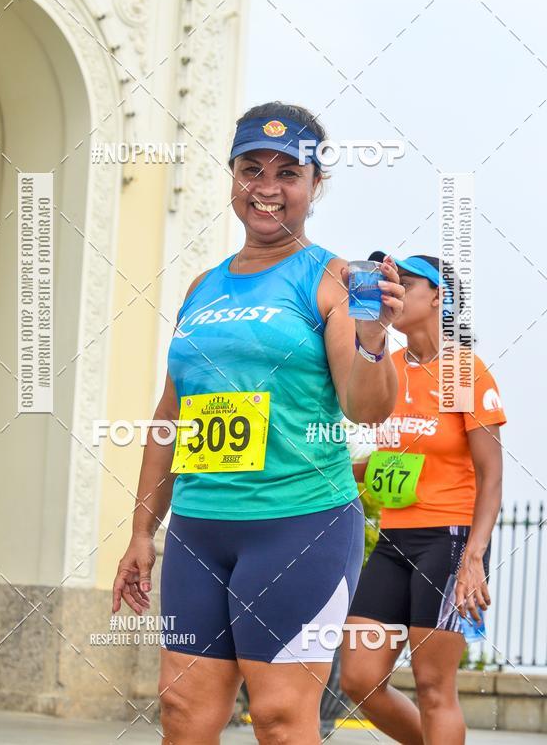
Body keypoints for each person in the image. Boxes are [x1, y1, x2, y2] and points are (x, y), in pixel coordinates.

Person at [112, 103, 405, 745]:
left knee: (278, 719)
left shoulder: (330, 277)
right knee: (184, 717)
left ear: (314, 186)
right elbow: (171, 418)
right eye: (251, 170)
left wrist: (375, 340)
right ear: (234, 177)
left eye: (287, 174)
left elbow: (366, 408)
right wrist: (141, 532)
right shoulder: (202, 288)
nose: (267, 188)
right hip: (199, 530)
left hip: (300, 526)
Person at [340, 252, 506, 745]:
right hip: (394, 539)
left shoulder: (465, 372)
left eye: (405, 283)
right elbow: (391, 458)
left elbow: (492, 475)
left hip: (450, 540)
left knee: (435, 686)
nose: (393, 289)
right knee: (360, 679)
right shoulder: (386, 366)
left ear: (438, 296)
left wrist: (474, 555)